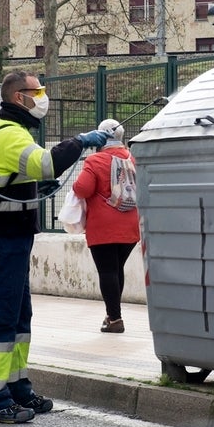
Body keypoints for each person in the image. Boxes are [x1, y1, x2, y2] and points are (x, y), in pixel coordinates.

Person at [0, 71, 109, 424]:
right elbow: (47, 162)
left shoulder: (13, 133)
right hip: (2, 241)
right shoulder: (9, 135)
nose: (43, 97)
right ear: (20, 97)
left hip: (11, 240)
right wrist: (80, 141)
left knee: (18, 319)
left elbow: (35, 174)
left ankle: (17, 389)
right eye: (39, 91)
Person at [72, 119, 140, 334]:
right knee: (116, 269)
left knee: (108, 271)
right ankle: (113, 315)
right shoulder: (133, 159)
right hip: (130, 224)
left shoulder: (95, 160)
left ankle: (114, 318)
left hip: (103, 226)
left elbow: (82, 189)